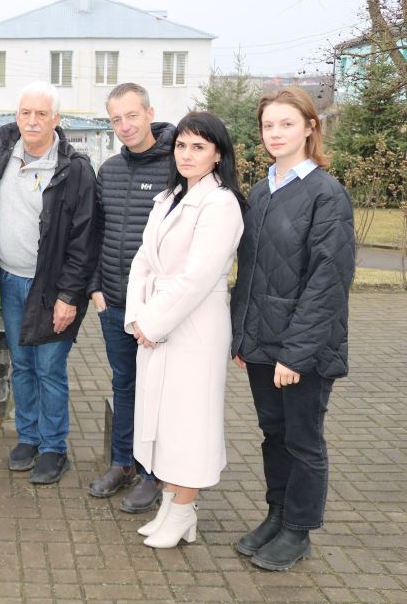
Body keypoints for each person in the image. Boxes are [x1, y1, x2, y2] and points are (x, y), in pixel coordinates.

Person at [230, 88, 355, 571]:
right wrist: (242, 337)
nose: (275, 133)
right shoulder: (262, 191)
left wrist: (295, 354)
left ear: (309, 127)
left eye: (286, 123)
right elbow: (249, 272)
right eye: (268, 125)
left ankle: (298, 530)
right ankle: (277, 515)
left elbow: (329, 282)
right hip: (261, 343)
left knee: (303, 441)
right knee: (273, 434)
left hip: (303, 350)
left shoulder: (326, 194)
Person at [124, 111, 246, 549]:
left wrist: (152, 322)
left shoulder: (221, 204)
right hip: (158, 321)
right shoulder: (170, 197)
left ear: (218, 155)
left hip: (195, 328)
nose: (187, 154)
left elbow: (196, 278)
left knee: (189, 422)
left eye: (199, 147)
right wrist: (138, 318)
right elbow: (143, 260)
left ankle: (183, 508)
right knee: (162, 421)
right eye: (181, 145)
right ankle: (173, 506)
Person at [0, 81, 98, 485]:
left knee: (49, 368)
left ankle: (53, 447)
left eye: (41, 114)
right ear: (17, 117)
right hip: (11, 281)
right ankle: (28, 438)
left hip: (52, 289)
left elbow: (85, 239)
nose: (32, 121)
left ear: (56, 119)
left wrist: (69, 295)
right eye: (25, 113)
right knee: (21, 365)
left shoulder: (75, 168)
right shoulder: (2, 156)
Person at [88, 84, 177, 510]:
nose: (124, 126)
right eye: (116, 119)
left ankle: (154, 474)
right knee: (124, 384)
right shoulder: (108, 171)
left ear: (150, 113)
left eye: (132, 116)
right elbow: (94, 233)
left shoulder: (178, 166)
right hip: (114, 303)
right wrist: (95, 288)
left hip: (158, 309)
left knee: (158, 390)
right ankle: (122, 462)